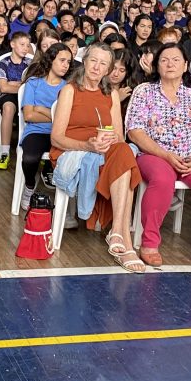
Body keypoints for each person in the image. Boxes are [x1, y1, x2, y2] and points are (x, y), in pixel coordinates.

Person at [125, 43, 191, 269]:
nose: (170, 64)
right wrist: (166, 155)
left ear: (186, 65)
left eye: (176, 60)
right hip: (155, 154)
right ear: (156, 66)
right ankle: (149, 244)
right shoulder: (144, 92)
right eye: (164, 60)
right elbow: (135, 130)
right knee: (162, 179)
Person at [51, 42, 144, 271]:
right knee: (126, 161)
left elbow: (120, 136)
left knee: (123, 151)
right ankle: (123, 237)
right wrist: (88, 146)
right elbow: (56, 138)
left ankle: (118, 234)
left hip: (105, 150)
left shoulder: (111, 93)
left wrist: (106, 142)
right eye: (93, 60)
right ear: (85, 61)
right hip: (73, 149)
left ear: (108, 69)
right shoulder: (70, 90)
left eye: (103, 63)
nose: (97, 67)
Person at [17, 43, 73, 208]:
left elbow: (67, 120)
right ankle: (29, 187)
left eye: (68, 62)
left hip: (61, 133)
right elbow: (28, 115)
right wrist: (55, 115)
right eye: (62, 60)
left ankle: (66, 207)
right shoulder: (33, 83)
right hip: (36, 132)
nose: (66, 65)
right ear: (51, 60)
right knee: (29, 159)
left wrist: (41, 109)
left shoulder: (68, 88)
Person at [0, 31, 32, 169]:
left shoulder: (30, 63)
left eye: (27, 45)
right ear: (12, 44)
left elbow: (34, 86)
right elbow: (3, 88)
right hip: (9, 97)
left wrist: (14, 84)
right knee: (8, 108)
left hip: (28, 97)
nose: (25, 48)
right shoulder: (3, 63)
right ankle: (5, 152)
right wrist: (21, 85)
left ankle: (33, 150)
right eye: (22, 44)